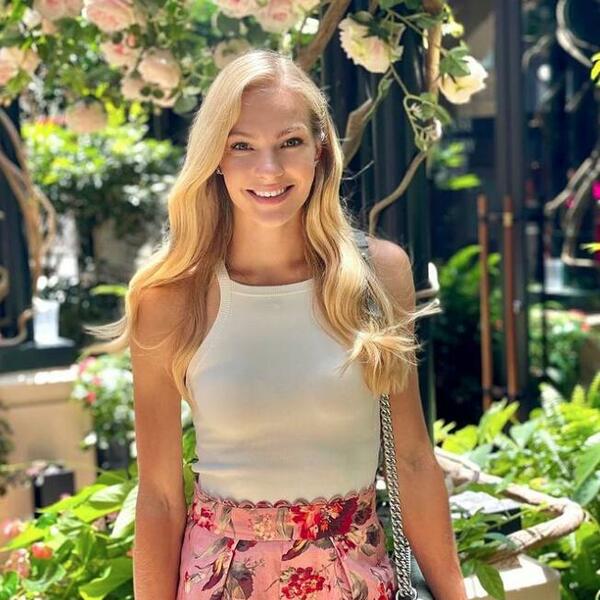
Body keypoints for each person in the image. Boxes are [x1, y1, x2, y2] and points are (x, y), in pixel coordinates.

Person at [86, 48, 466, 599]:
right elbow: (161, 496)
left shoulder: (379, 274)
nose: (269, 169)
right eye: (241, 145)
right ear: (216, 157)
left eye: (289, 142)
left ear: (320, 150)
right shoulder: (168, 297)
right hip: (221, 582)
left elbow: (411, 460)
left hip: (355, 579)